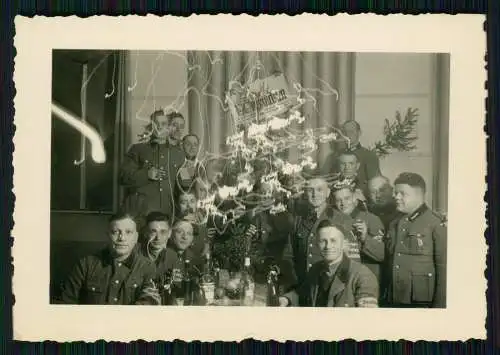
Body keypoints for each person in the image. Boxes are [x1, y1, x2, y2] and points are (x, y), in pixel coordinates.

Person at [59, 212, 160, 305]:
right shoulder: (85, 265)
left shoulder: (147, 267)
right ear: (107, 235)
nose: (122, 238)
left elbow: (149, 304)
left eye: (128, 232)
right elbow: (65, 303)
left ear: (136, 238)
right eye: (115, 232)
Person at [278, 219, 379, 307]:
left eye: (333, 241)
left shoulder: (362, 275)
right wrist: (286, 299)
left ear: (344, 244)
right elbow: (303, 292)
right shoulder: (316, 269)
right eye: (323, 241)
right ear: (317, 244)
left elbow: (367, 317)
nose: (328, 246)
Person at [385, 172, 447, 308]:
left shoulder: (436, 223)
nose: (396, 197)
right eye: (395, 193)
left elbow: (444, 271)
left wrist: (439, 307)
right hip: (395, 297)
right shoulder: (394, 223)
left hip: (422, 301)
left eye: (402, 193)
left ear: (419, 195)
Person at [284, 177, 353, 289]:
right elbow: (289, 254)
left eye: (320, 189)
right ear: (306, 194)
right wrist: (294, 281)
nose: (315, 194)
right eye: (311, 190)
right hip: (302, 285)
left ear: (328, 193)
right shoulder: (299, 220)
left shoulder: (343, 220)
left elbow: (350, 260)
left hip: (329, 286)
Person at [119, 110, 186, 220]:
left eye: (164, 124)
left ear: (169, 127)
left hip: (167, 214)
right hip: (141, 214)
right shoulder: (137, 149)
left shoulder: (179, 154)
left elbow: (184, 188)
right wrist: (146, 174)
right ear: (151, 126)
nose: (159, 127)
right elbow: (122, 177)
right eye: (156, 123)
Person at [331, 181, 385, 282]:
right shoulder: (332, 221)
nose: (343, 203)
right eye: (338, 200)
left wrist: (365, 238)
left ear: (354, 198)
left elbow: (381, 255)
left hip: (365, 278)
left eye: (347, 198)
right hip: (339, 279)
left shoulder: (371, 219)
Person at [321, 120, 381, 190]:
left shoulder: (369, 156)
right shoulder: (333, 156)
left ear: (359, 133)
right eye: (345, 132)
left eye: (351, 132)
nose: (347, 135)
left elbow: (375, 183)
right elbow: (324, 179)